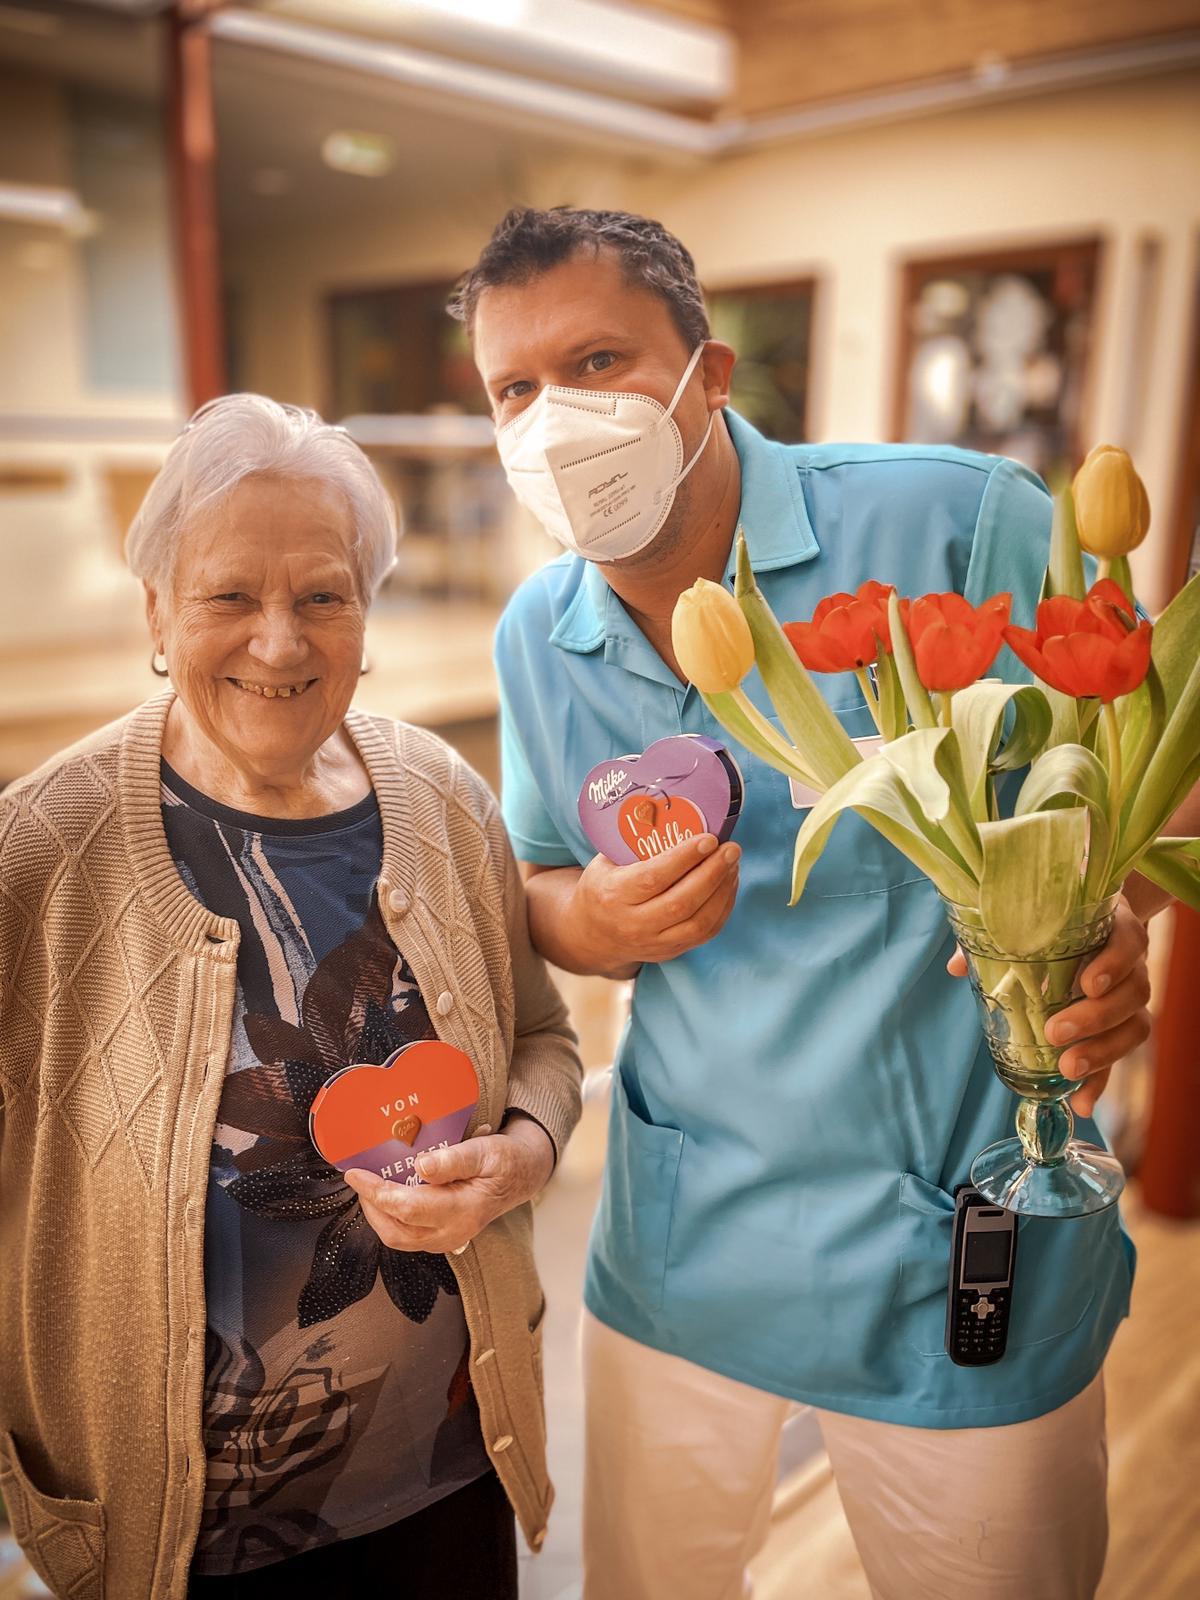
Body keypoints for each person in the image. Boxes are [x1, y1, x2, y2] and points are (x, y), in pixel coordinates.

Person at [450, 207, 1195, 1600]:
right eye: (514, 388)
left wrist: (1119, 929)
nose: (555, 419)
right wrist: (590, 925)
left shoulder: (952, 521)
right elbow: (538, 875)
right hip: (691, 1246)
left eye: (599, 359)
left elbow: (1146, 777)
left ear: (710, 373)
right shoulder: (539, 635)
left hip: (963, 1238)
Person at [0, 395, 581, 1600]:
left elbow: (542, 1036)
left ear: (368, 615)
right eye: (228, 596)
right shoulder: (38, 855)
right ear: (157, 609)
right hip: (170, 1546)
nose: (281, 640)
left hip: (445, 1487)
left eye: (324, 593)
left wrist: (522, 1154)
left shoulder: (445, 799)